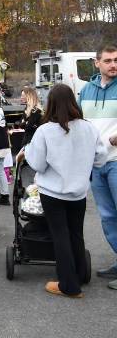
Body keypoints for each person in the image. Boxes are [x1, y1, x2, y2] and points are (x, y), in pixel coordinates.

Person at [23, 84, 108, 297]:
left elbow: (38, 164)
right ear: (73, 102)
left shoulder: (45, 131)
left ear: (50, 104)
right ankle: (79, 273)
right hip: (78, 192)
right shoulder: (89, 128)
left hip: (52, 193)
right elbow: (100, 159)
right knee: (76, 233)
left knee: (60, 235)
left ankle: (68, 285)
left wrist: (28, 152)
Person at [78, 44, 117, 290]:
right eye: (108, 61)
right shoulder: (86, 90)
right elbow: (77, 121)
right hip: (96, 164)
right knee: (108, 217)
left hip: (116, 161)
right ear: (97, 63)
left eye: (116, 60)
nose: (113, 65)